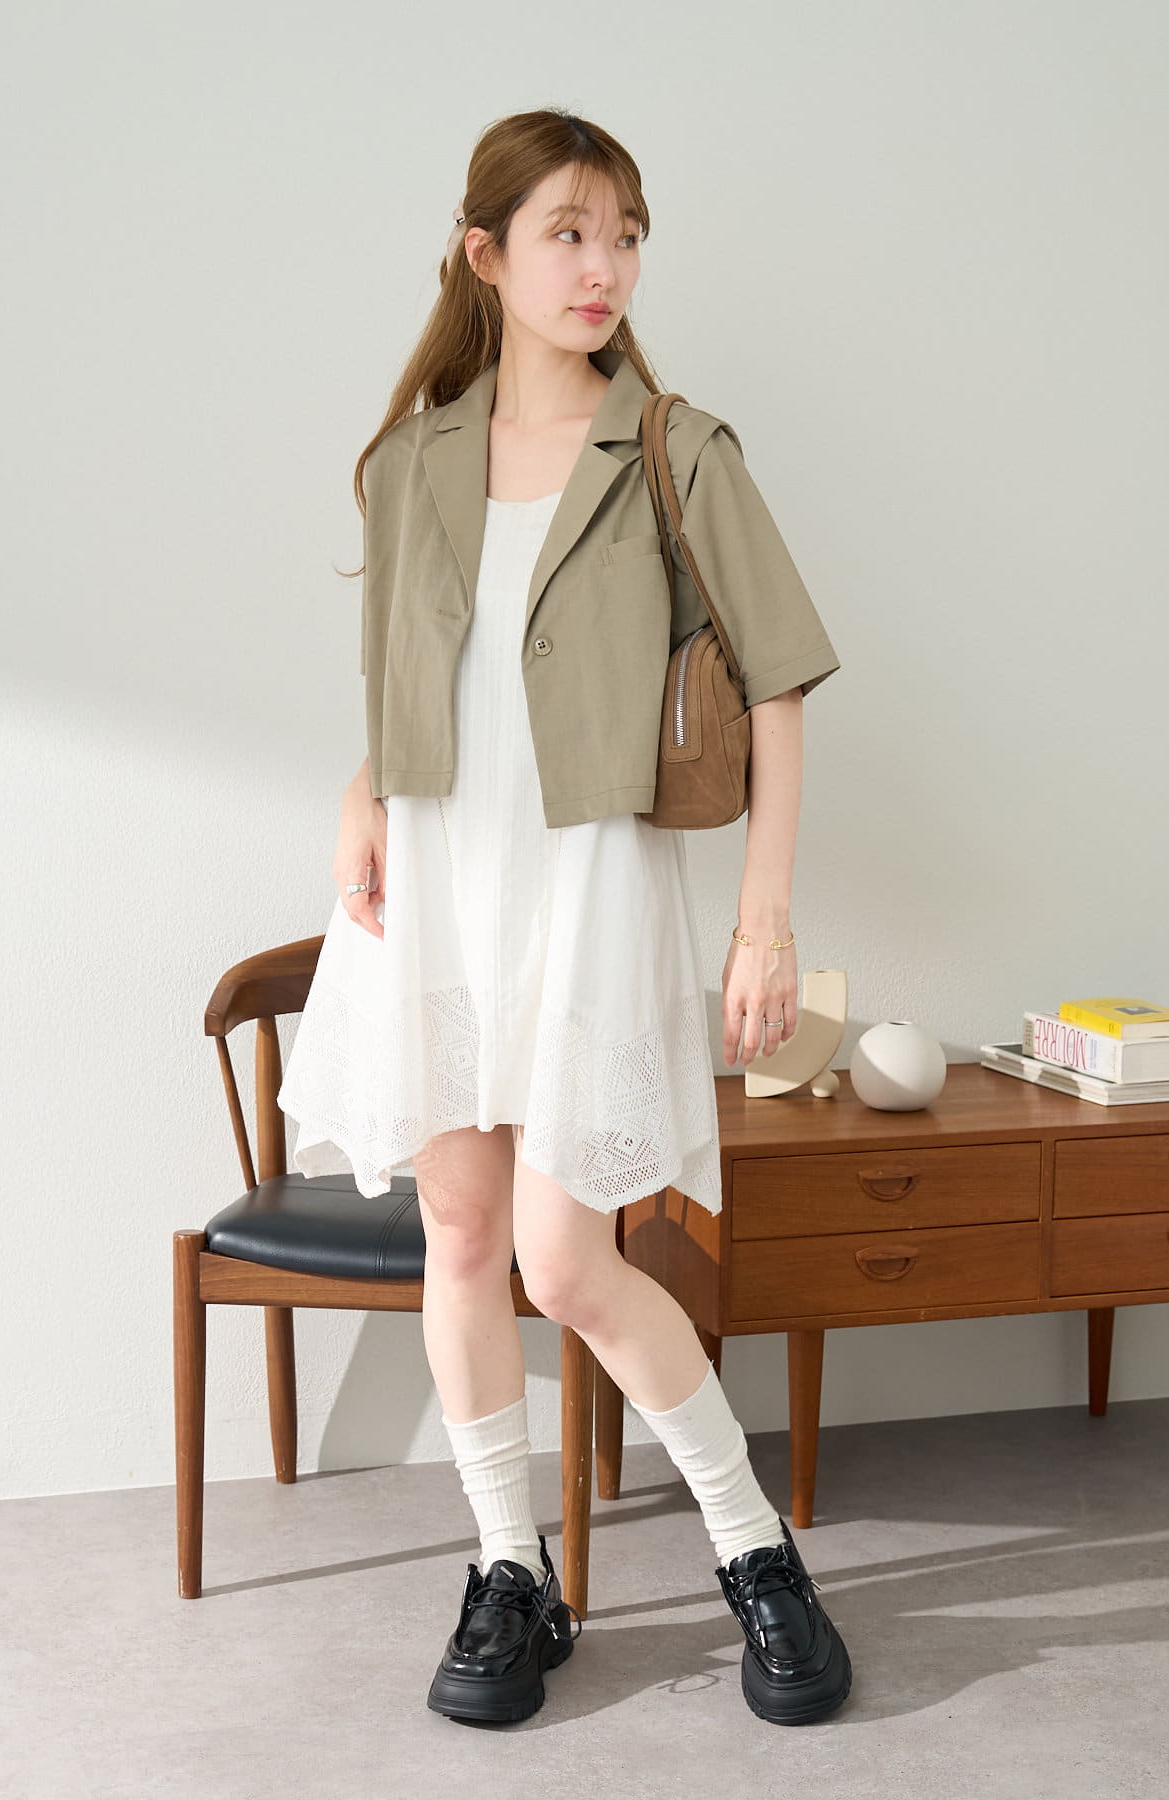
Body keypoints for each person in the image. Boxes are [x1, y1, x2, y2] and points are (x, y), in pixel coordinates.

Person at [277, 107, 852, 1728]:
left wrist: (764, 918)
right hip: (437, 891)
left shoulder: (676, 448)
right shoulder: (413, 462)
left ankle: (755, 1553)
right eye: (569, 234)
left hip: (586, 893)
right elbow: (412, 681)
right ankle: (508, 1574)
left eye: (625, 235)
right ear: (488, 255)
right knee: (461, 1239)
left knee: (568, 1257)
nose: (604, 266)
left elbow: (780, 683)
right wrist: (357, 792)